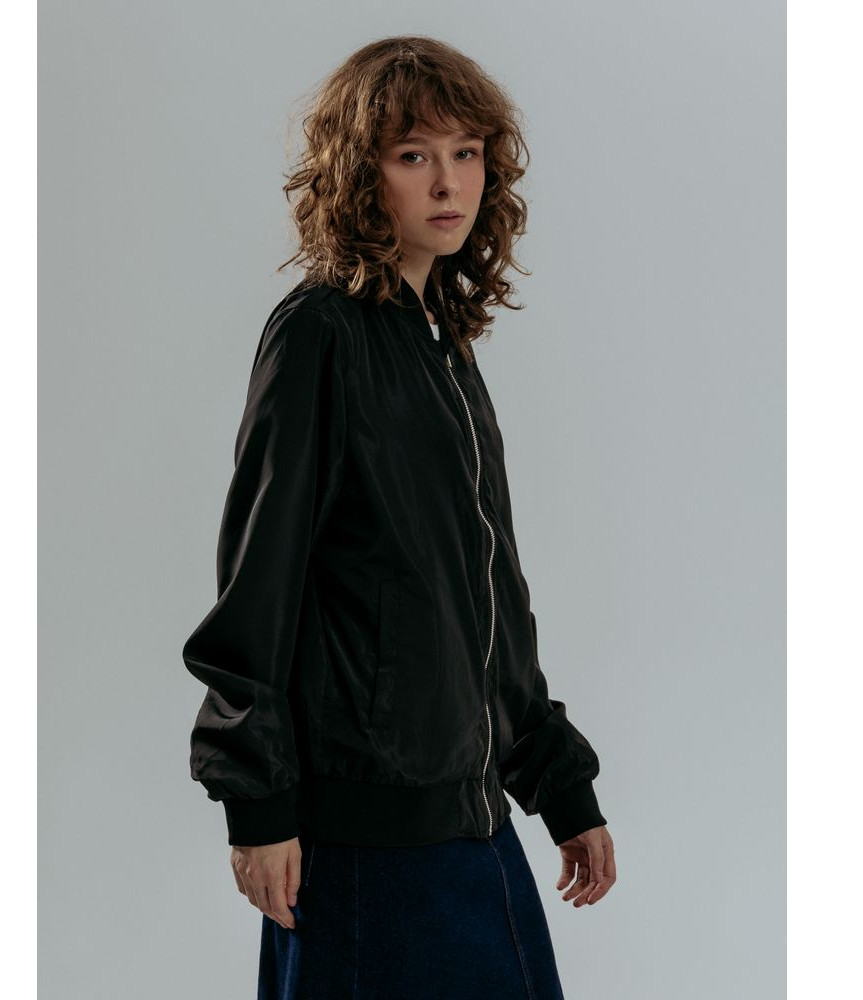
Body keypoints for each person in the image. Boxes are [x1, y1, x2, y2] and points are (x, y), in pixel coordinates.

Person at [183, 34, 617, 999]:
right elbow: (258, 586)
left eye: (467, 153)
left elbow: (486, 601)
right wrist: (259, 810)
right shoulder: (319, 335)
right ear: (358, 172)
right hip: (364, 837)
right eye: (414, 154)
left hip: (470, 822)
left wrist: (559, 785)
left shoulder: (443, 347)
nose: (447, 182)